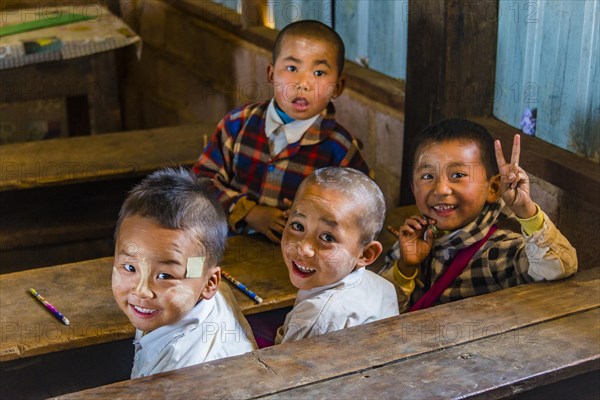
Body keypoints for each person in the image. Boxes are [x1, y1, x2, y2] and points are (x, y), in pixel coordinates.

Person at [193, 20, 370, 244]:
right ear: (271, 73)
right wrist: (248, 212)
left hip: (303, 261)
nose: (303, 83)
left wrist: (312, 218)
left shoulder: (340, 148)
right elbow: (201, 179)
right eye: (292, 68)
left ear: (338, 87)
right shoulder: (237, 124)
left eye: (318, 72)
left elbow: (361, 210)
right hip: (228, 246)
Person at [382, 119, 578, 312]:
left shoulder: (497, 252)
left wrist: (525, 209)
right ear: (413, 188)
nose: (441, 189)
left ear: (492, 188)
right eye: (427, 176)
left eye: (457, 175)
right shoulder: (415, 237)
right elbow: (378, 310)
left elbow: (560, 266)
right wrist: (406, 268)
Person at [112, 167, 257, 378]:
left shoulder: (180, 374)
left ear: (209, 283)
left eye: (164, 276)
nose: (142, 290)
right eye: (130, 268)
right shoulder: (205, 288)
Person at [275, 167, 399, 344]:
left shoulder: (315, 317)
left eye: (327, 237)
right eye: (298, 226)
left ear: (366, 254)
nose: (304, 249)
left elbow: (282, 370)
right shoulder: (382, 286)